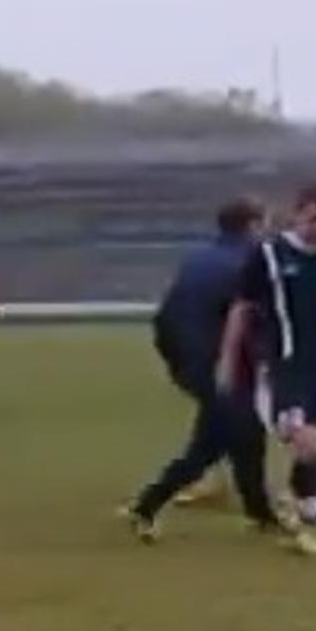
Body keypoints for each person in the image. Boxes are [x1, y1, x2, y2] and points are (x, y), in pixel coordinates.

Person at [217, 182, 316, 558]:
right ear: (297, 214)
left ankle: (303, 507)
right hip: (289, 363)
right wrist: (228, 359)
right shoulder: (269, 254)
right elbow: (242, 307)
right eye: (314, 218)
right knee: (309, 441)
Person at [124, 199, 280, 541]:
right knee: (214, 445)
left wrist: (180, 364)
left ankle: (261, 513)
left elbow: (165, 317)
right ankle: (147, 506)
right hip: (225, 365)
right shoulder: (250, 264)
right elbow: (254, 318)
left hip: (195, 362)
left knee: (243, 436)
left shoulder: (197, 259)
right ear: (254, 225)